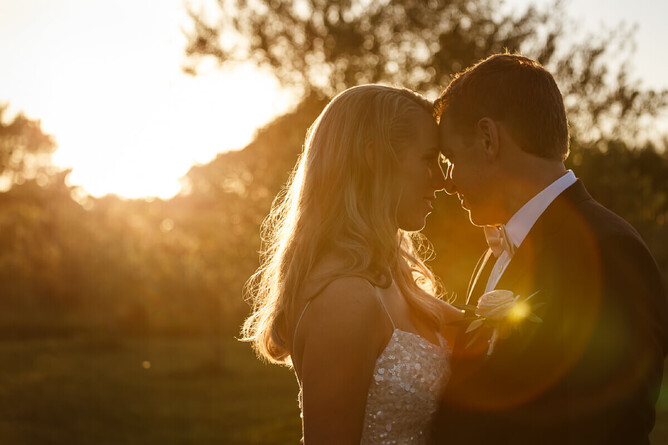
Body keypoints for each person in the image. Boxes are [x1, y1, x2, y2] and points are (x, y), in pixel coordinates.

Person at [429, 53, 668, 444]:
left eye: (452, 159)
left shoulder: (611, 251)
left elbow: (610, 430)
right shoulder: (496, 252)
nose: (449, 183)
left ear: (488, 139)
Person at [241, 84, 463, 444]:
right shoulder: (346, 299)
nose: (441, 180)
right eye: (427, 159)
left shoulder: (391, 276)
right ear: (373, 157)